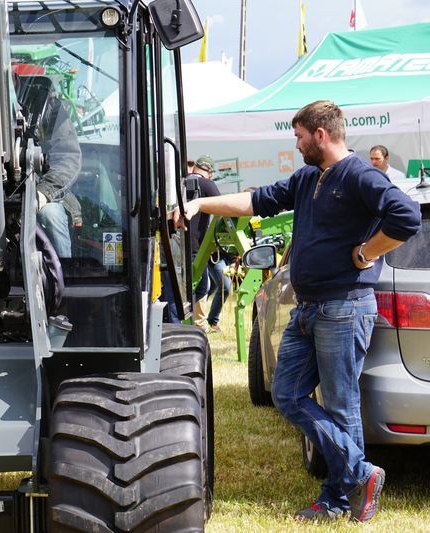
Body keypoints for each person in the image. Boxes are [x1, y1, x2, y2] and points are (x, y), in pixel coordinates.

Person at [173, 100, 420, 522]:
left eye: (300, 136)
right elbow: (256, 201)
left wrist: (365, 253)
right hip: (307, 308)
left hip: (343, 307)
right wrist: (200, 206)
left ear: (320, 134)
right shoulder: (309, 177)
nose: (297, 143)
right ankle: (360, 473)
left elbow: (407, 216)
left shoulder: (358, 174)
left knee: (341, 406)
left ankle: (339, 498)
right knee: (286, 395)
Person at [16, 72, 82, 258]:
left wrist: (44, 192)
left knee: (50, 215)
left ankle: (63, 274)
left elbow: (67, 156)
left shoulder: (46, 105)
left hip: (41, 188)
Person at [187, 155, 224, 331]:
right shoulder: (207, 184)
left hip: (176, 247)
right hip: (196, 246)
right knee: (201, 286)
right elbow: (223, 207)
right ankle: (199, 327)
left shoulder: (181, 183)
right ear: (209, 172)